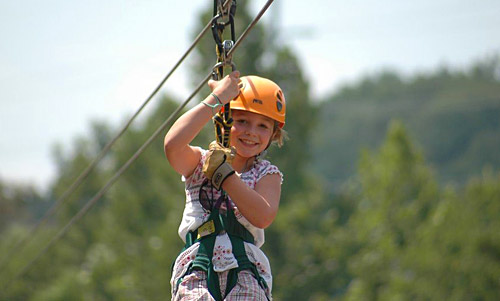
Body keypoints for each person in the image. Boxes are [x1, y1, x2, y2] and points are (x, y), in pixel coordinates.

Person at [164, 70, 286, 301]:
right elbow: (173, 145)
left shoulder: (266, 174)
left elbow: (263, 216)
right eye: (242, 121)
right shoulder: (200, 163)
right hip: (198, 267)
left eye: (263, 126)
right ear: (224, 121)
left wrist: (226, 176)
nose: (251, 131)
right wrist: (216, 100)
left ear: (273, 134)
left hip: (245, 270)